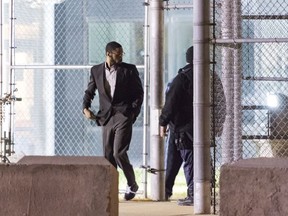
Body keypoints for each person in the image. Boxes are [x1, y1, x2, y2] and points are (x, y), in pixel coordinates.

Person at [82, 41, 144, 201]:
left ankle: (132, 184)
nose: (121, 56)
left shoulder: (129, 70)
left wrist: (132, 113)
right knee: (108, 154)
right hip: (106, 117)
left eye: (122, 53)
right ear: (109, 54)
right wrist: (85, 108)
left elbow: (139, 93)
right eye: (119, 53)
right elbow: (90, 91)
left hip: (123, 116)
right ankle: (111, 188)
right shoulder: (96, 70)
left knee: (119, 152)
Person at [159, 46, 194, 206]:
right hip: (195, 126)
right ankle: (192, 191)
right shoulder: (208, 76)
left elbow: (171, 103)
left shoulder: (182, 78)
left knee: (183, 159)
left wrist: (163, 122)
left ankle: (189, 193)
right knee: (190, 159)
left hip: (180, 126)